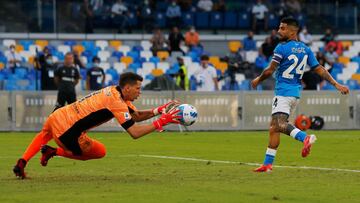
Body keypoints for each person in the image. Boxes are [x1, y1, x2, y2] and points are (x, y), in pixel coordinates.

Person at [13, 72, 181, 179]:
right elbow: (135, 132)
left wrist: (160, 110)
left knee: (44, 134)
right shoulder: (116, 102)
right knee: (100, 151)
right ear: (128, 88)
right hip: (67, 132)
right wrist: (162, 121)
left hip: (57, 115)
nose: (140, 92)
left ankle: (22, 162)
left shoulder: (114, 91)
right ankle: (54, 151)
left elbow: (136, 116)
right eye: (138, 88)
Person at [251, 17, 349, 172]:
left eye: (282, 28)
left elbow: (270, 70)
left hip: (283, 92)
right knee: (273, 128)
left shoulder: (281, 48)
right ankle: (267, 164)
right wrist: (336, 84)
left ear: (292, 31)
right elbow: (319, 69)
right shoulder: (305, 49)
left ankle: (306, 138)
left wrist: (258, 79)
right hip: (295, 93)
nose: (278, 30)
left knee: (278, 125)